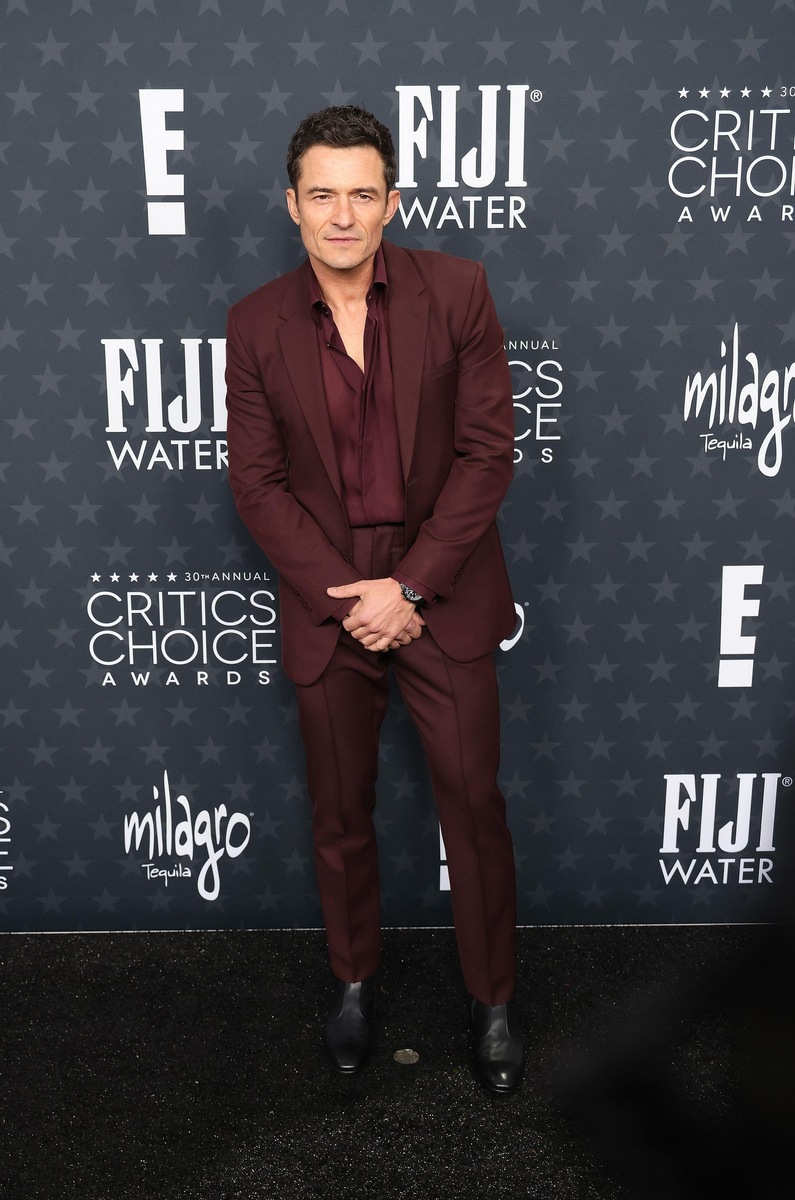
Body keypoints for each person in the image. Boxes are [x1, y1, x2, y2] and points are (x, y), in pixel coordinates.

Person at [225, 105, 523, 1094]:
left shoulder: (460, 291)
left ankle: (492, 1001)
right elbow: (257, 485)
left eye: (363, 194)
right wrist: (350, 598)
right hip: (330, 596)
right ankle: (353, 983)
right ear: (292, 205)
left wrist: (411, 586)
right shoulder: (254, 324)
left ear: (392, 201)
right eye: (323, 195)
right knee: (340, 810)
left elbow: (486, 455)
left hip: (443, 582)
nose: (343, 215)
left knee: (472, 804)